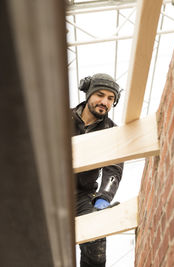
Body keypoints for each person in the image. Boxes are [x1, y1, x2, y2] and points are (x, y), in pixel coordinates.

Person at [71, 73, 124, 267]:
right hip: (50, 192)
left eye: (111, 98)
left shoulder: (112, 131)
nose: (105, 102)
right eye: (100, 95)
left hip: (83, 196)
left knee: (96, 239)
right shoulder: (61, 119)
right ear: (89, 95)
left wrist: (102, 200)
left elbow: (114, 169)